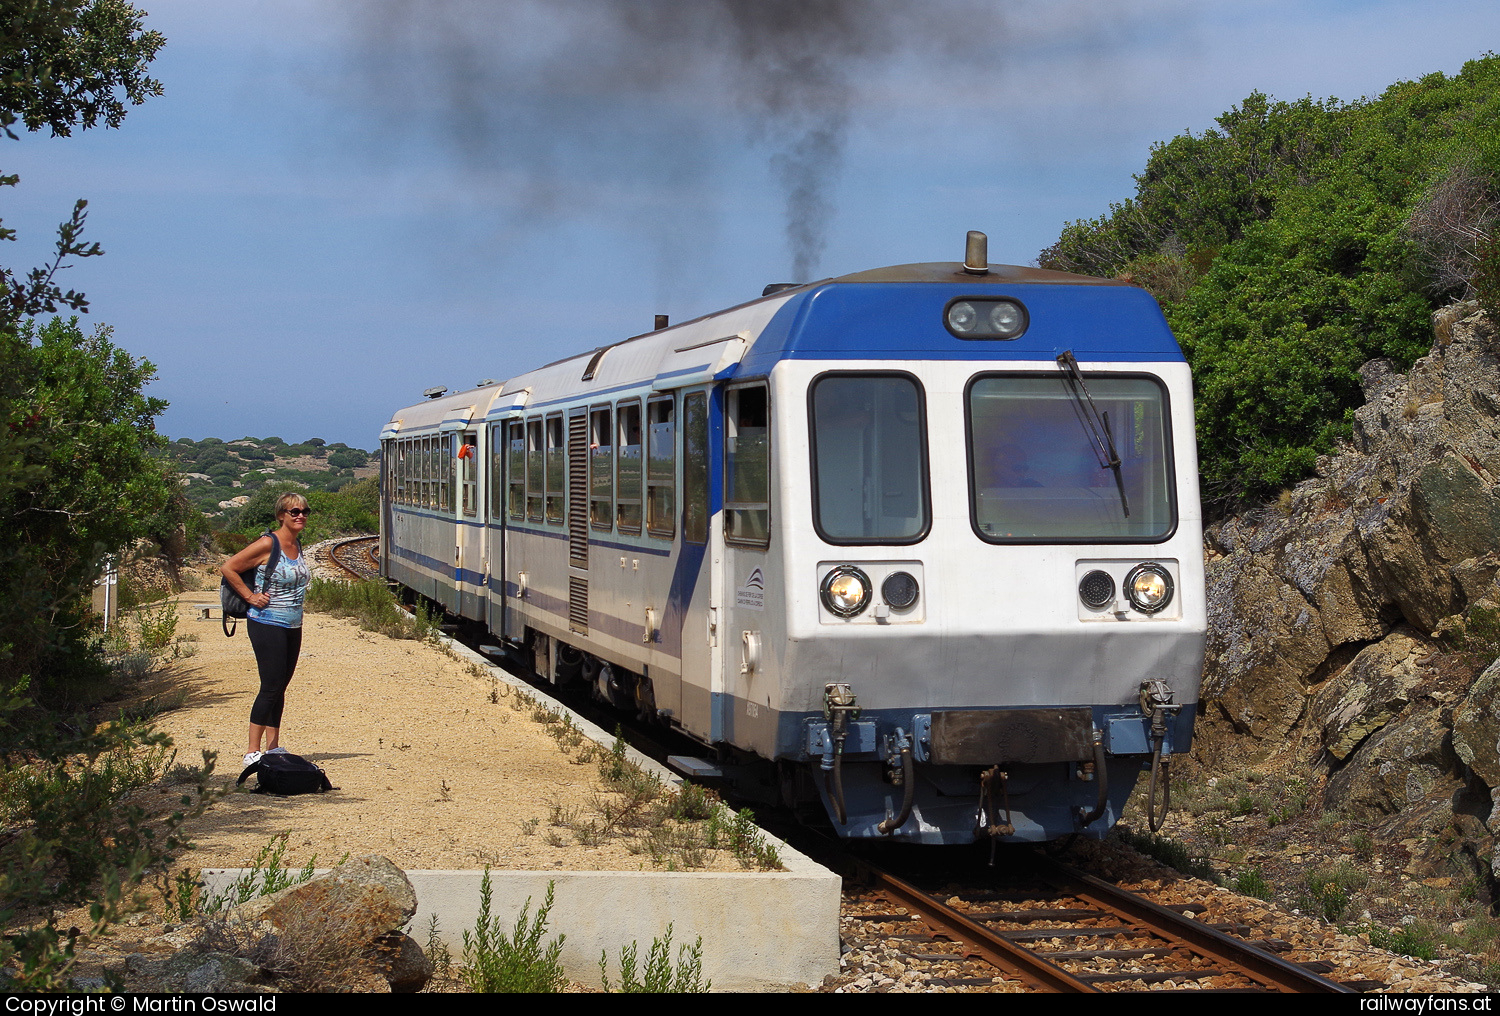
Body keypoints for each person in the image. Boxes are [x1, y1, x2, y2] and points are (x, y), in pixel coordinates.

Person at [220, 492, 313, 767]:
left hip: (293, 624)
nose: (300, 516)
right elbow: (229, 567)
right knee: (270, 686)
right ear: (281, 515)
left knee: (280, 687)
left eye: (305, 511)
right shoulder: (267, 543)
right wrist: (250, 597)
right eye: (294, 511)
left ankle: (273, 747)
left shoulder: (297, 545)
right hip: (266, 622)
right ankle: (252, 750)